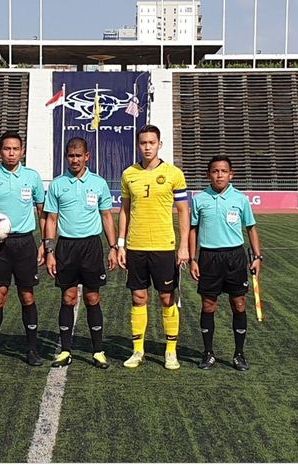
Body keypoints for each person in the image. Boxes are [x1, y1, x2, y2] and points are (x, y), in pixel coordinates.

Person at [117, 124, 190, 370]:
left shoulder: (174, 174)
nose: (147, 147)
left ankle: (170, 351)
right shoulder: (129, 174)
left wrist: (183, 247)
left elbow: (183, 212)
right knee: (139, 297)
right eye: (143, 143)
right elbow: (125, 211)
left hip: (164, 246)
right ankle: (138, 350)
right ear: (138, 145)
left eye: (151, 142)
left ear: (160, 144)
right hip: (136, 246)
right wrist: (120, 244)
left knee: (167, 297)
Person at [43, 137, 118, 369]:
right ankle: (65, 351)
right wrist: (49, 250)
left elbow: (107, 216)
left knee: (93, 297)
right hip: (66, 247)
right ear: (66, 157)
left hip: (91, 247)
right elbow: (51, 219)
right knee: (68, 297)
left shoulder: (99, 183)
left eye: (78, 155)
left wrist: (114, 248)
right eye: (70, 156)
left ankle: (98, 351)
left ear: (87, 156)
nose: (74, 160)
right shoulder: (57, 184)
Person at [0, 130, 46, 367]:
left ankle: (32, 349)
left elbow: (41, 211)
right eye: (7, 148)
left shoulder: (32, 177)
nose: (11, 153)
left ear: (22, 151)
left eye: (15, 149)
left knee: (27, 295)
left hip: (25, 243)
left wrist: (45, 244)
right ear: (0, 151)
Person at [188, 155, 262, 371]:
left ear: (231, 174)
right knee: (208, 305)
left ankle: (239, 354)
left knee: (238, 304)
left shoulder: (240, 199)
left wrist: (257, 257)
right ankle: (208, 353)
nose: (219, 175)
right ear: (208, 174)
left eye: (223, 171)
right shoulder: (199, 199)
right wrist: (193, 259)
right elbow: (193, 230)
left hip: (235, 258)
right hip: (209, 258)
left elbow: (251, 228)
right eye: (215, 171)